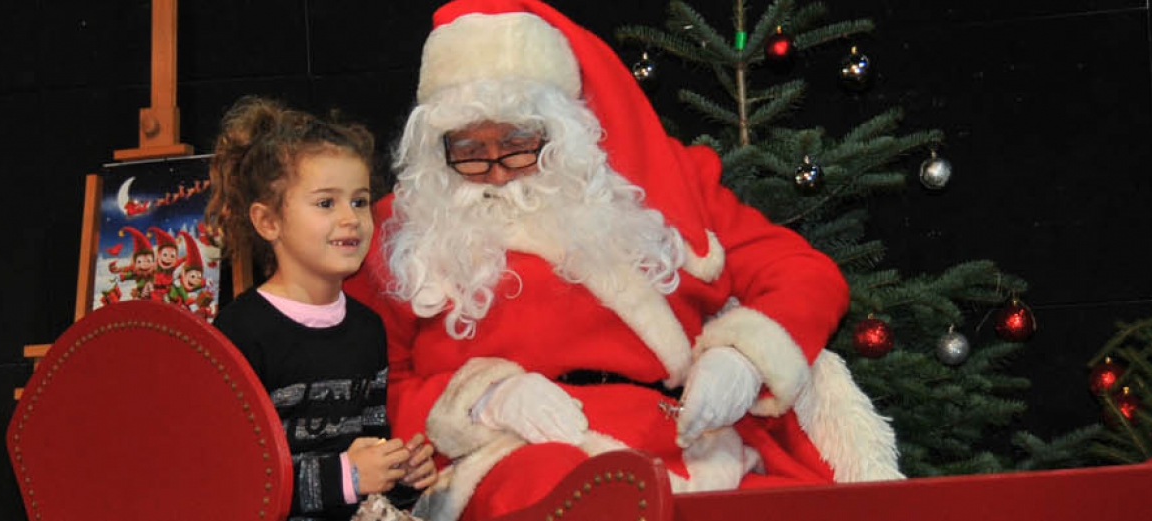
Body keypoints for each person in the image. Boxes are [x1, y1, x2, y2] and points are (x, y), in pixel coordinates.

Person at [342, 1, 902, 520]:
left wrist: (743, 359)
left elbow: (805, 274)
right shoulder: (399, 229)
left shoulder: (663, 184)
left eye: (516, 143)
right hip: (509, 460)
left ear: (561, 130)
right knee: (561, 488)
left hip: (680, 444)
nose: (495, 169)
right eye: (466, 150)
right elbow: (370, 389)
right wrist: (485, 398)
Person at [206, 96, 439, 521]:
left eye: (360, 200)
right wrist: (348, 476)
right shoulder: (240, 331)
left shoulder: (367, 329)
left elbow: (370, 457)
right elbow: (236, 482)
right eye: (326, 203)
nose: (351, 218)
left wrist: (400, 474)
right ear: (268, 222)